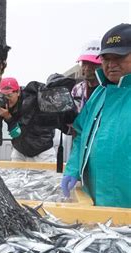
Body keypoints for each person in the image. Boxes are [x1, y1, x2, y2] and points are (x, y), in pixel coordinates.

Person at [61, 23, 131, 207]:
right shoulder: (99, 93)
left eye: (119, 56)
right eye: (106, 58)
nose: (111, 64)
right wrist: (73, 168)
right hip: (93, 201)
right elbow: (80, 133)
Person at [0, 77, 57, 162]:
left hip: (42, 151)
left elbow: (18, 132)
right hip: (20, 150)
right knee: (14, 175)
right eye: (4, 96)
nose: (7, 99)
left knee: (48, 175)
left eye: (9, 95)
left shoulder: (29, 102)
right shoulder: (5, 103)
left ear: (18, 92)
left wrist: (8, 117)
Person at [71, 39, 102, 113]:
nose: (87, 68)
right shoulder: (77, 89)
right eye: (84, 63)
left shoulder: (110, 88)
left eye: (93, 64)